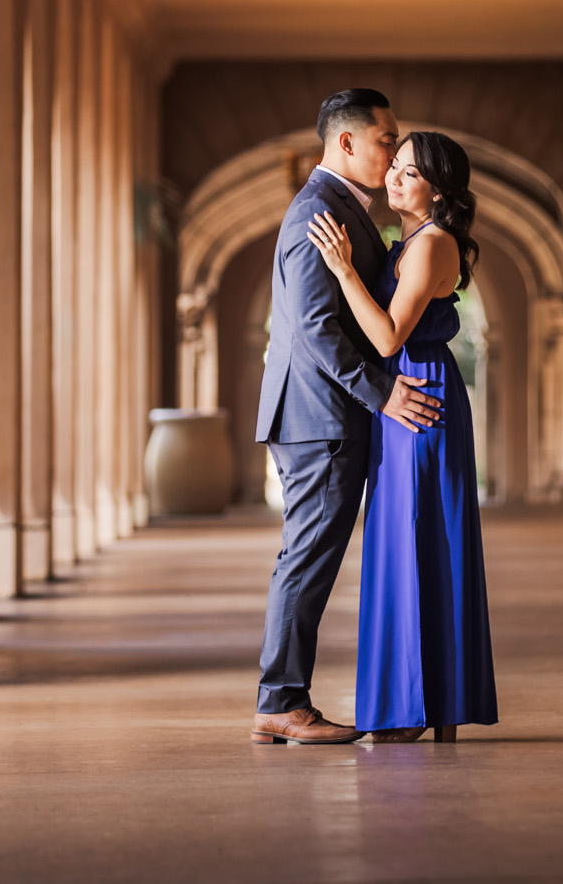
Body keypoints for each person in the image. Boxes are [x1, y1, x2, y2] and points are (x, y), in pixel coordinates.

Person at [251, 89, 444, 746]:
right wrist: (382, 392)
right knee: (307, 555)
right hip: (320, 417)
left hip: (321, 414)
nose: (395, 152)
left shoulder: (341, 209)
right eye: (387, 140)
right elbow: (316, 328)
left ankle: (281, 697)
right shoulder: (317, 210)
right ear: (347, 143)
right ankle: (280, 700)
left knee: (309, 554)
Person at [307, 129, 498, 743]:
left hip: (417, 395)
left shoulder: (430, 244)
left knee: (417, 543)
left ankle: (414, 707)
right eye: (397, 166)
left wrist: (341, 271)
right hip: (404, 394)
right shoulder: (411, 240)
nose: (392, 175)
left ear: (437, 190)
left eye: (409, 172)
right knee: (408, 543)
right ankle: (427, 701)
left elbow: (389, 337)